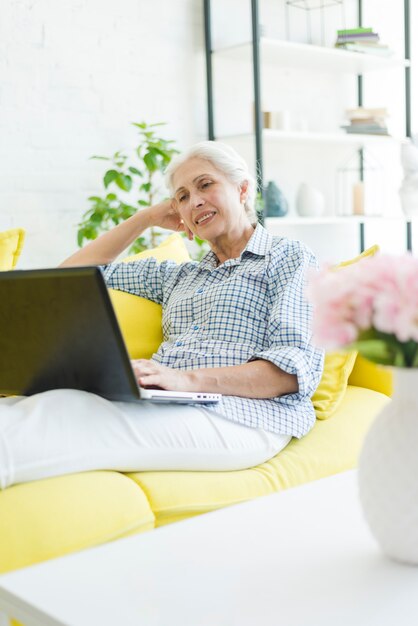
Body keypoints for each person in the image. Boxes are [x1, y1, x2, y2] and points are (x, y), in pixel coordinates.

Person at [0, 141, 324, 490]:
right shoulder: (179, 277)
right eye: (182, 197)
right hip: (168, 399)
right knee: (28, 406)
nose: (194, 201)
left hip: (246, 415)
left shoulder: (288, 257)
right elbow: (67, 276)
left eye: (205, 185)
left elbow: (291, 371)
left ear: (242, 189)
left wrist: (185, 380)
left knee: (50, 427)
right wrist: (146, 219)